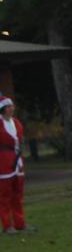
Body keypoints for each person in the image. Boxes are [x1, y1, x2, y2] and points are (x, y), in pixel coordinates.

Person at [0, 95, 28, 233]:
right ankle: (7, 226)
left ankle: (20, 223)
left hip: (17, 162)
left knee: (18, 194)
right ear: (3, 109)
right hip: (3, 163)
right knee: (4, 196)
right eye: (9, 106)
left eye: (12, 106)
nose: (12, 108)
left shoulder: (16, 123)